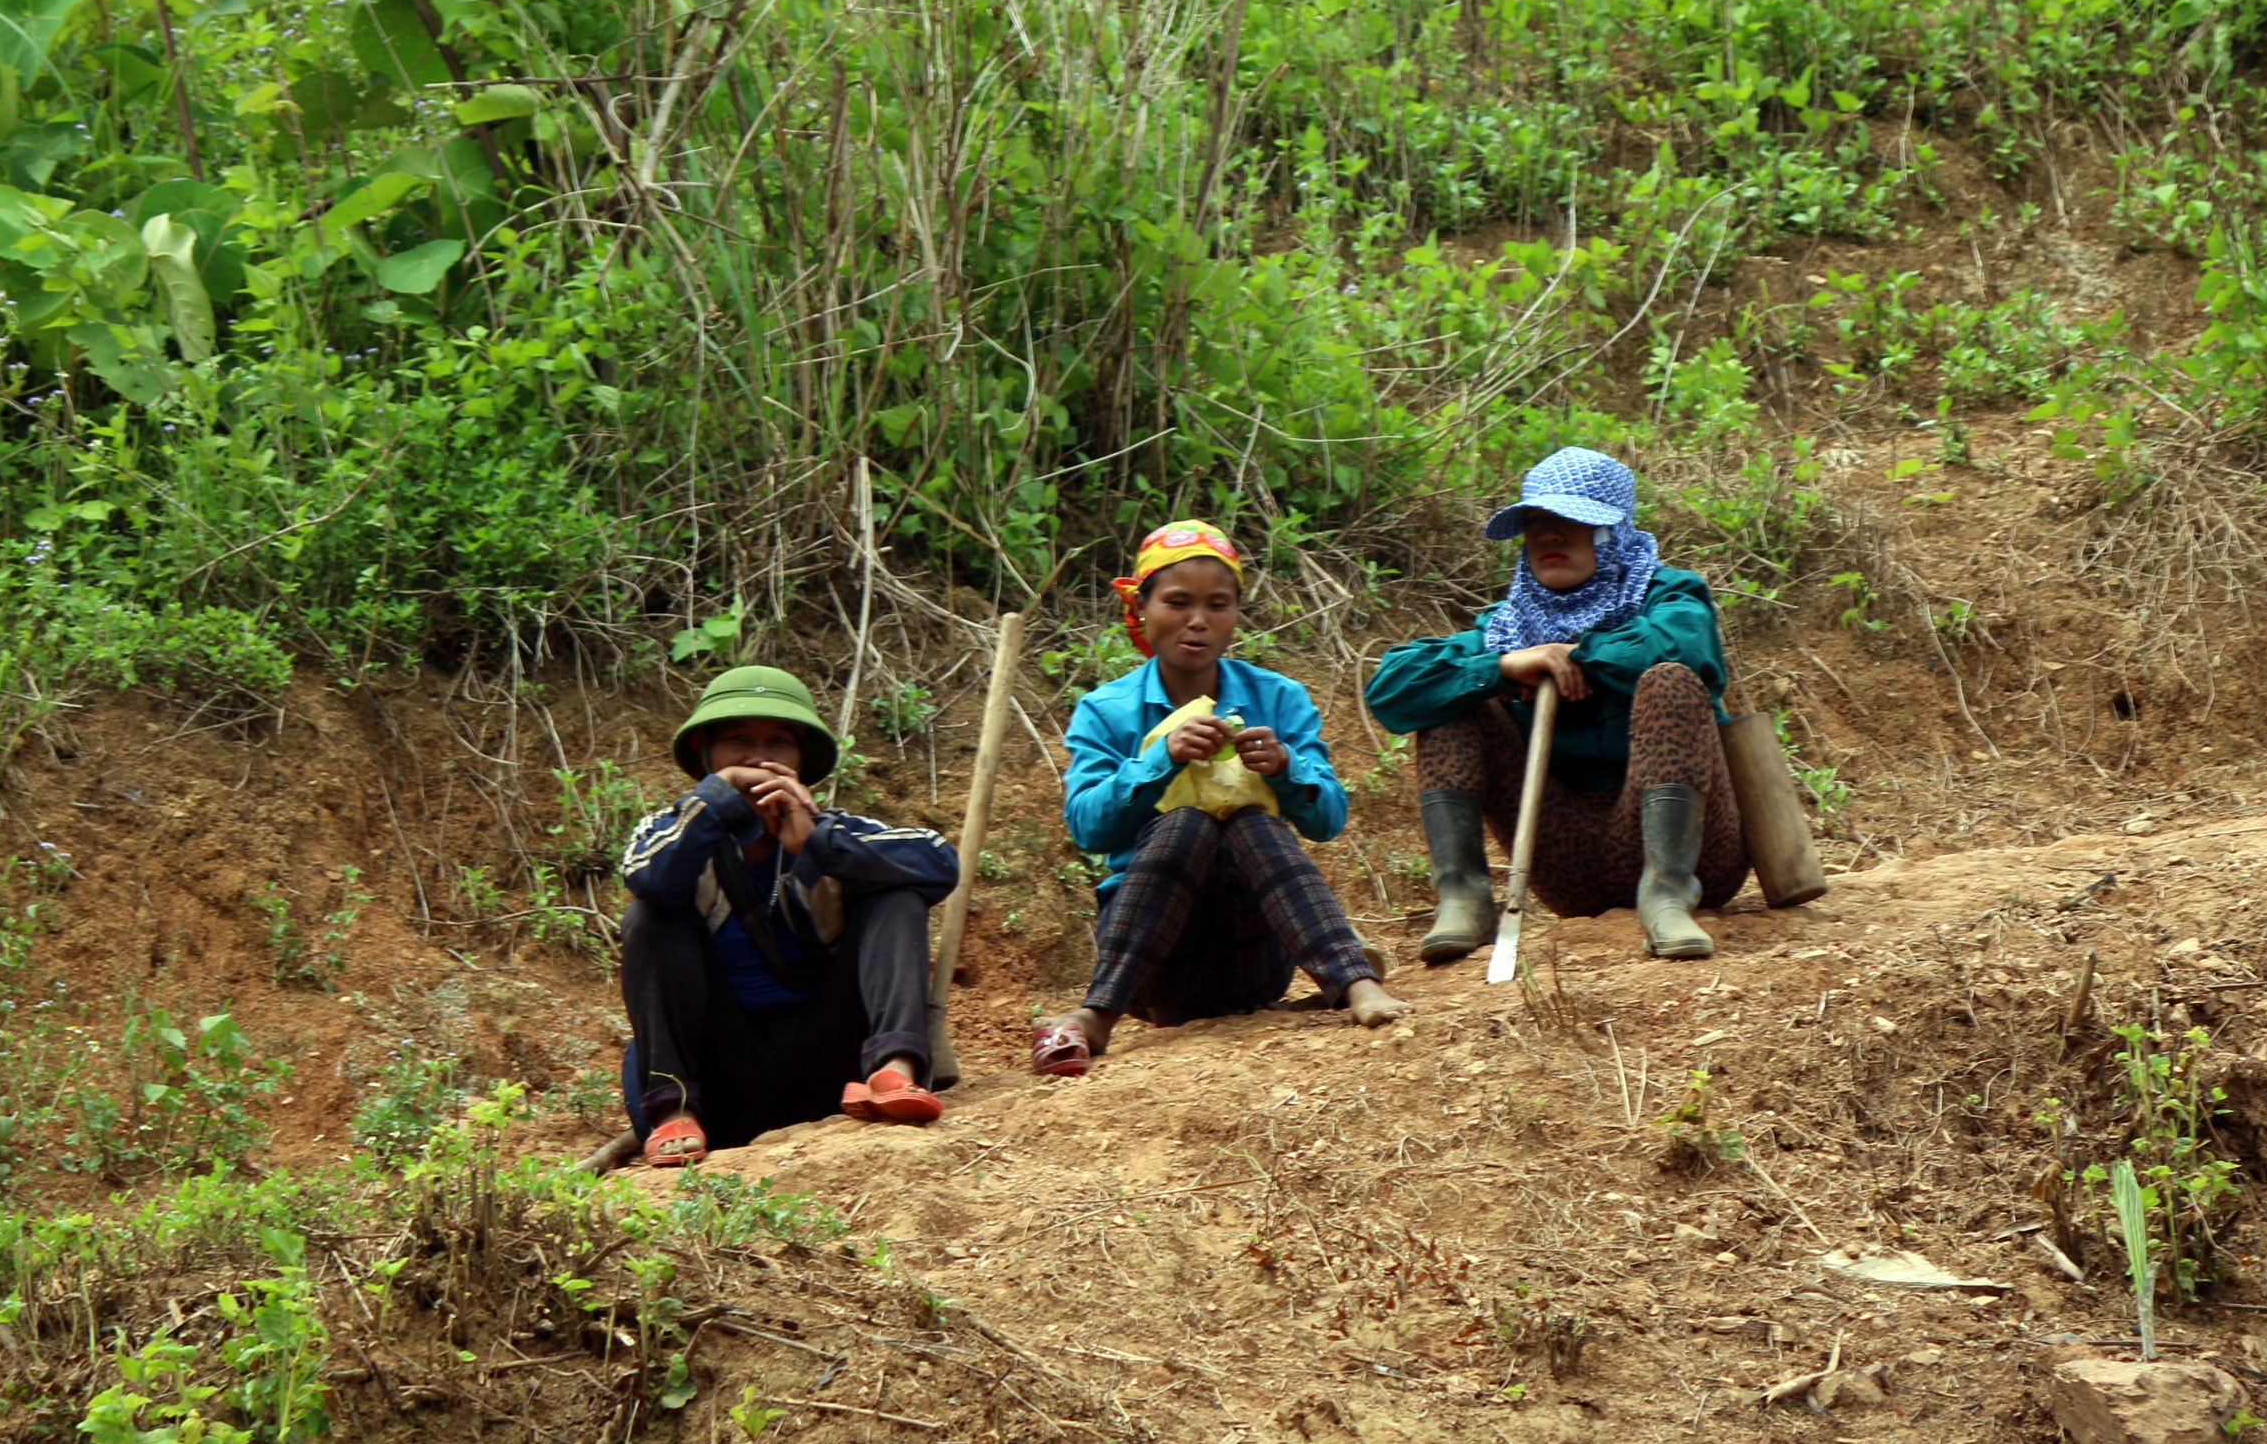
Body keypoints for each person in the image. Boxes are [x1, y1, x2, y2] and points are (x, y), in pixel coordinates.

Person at [1036, 521, 1403, 1076]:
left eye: (1218, 604)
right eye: (1177, 602)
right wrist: (1161, 760)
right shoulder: (1105, 710)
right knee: (1188, 822)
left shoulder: (1278, 697)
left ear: (1236, 613)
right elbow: (1089, 828)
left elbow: (1329, 818)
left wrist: (1285, 767)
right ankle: (1100, 1011)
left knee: (1250, 823)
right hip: (1152, 963)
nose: (1198, 621)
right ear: (1142, 607)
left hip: (1254, 950)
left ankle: (1357, 984)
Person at [1366, 447, 1745, 962]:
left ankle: (1667, 895)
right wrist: (1499, 668)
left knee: (1669, 680)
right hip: (1569, 864)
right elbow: (1391, 688)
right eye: (1536, 522)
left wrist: (1580, 654)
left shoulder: (1668, 595)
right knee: (1453, 697)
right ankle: (1464, 897)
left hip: (1699, 856)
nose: (1548, 535)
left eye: (1570, 520)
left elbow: (1690, 652)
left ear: (1612, 534)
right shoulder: (1508, 628)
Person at [616, 666, 962, 1167]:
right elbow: (648, 877)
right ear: (703, 756)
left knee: (897, 894)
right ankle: (674, 1110)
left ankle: (893, 1071)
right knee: (649, 917)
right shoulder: (672, 833)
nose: (760, 758)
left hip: (830, 1069)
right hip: (722, 1078)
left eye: (780, 742)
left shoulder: (835, 830)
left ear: (801, 760)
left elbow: (937, 862)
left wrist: (817, 842)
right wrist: (715, 798)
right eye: (738, 741)